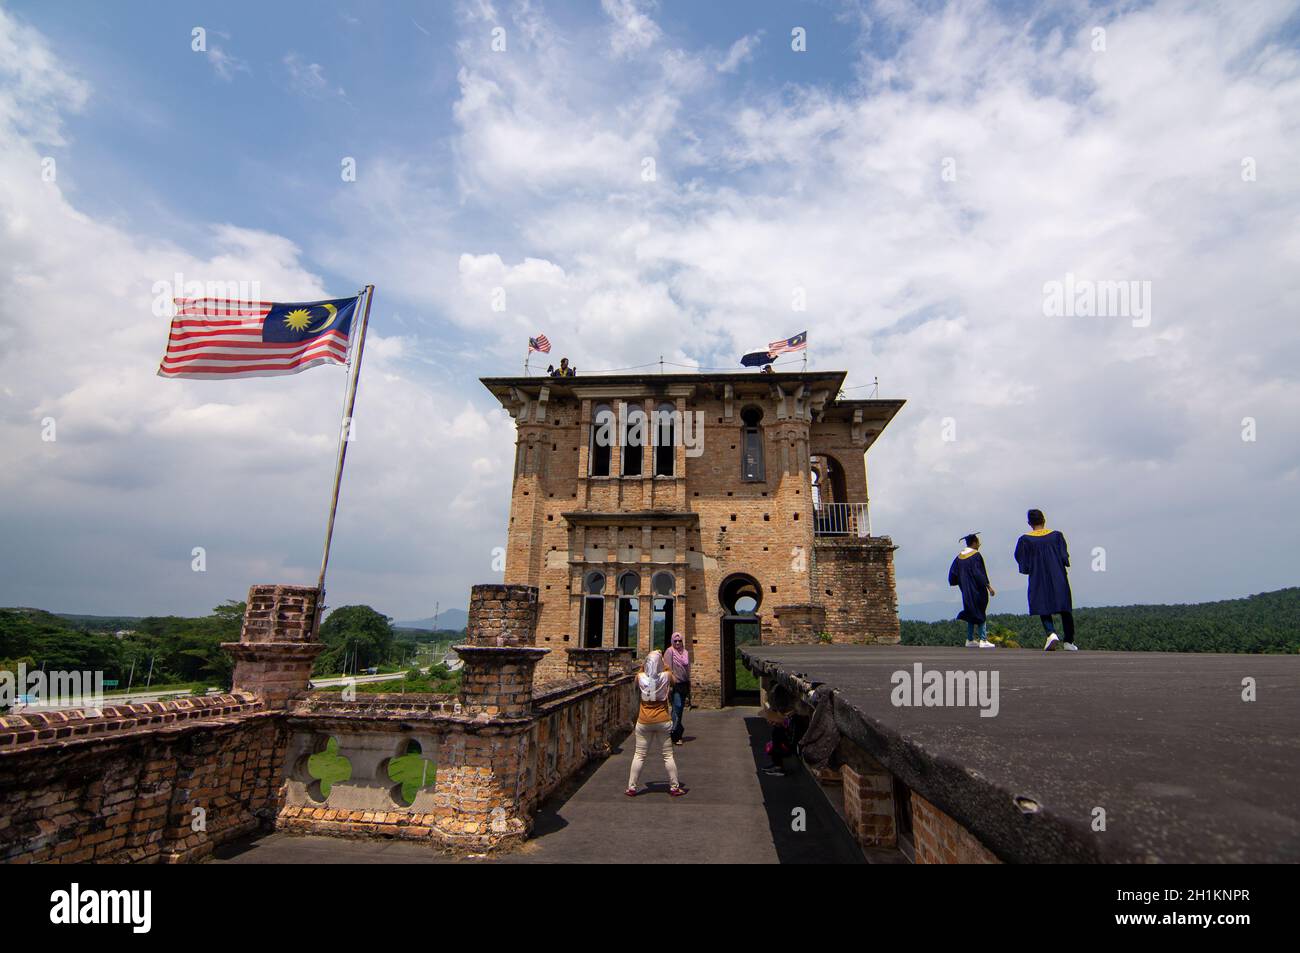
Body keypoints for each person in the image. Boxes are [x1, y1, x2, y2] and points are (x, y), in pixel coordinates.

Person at [1013, 508, 1077, 651]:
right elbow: (1064, 557)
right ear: (1044, 519)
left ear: (1029, 523)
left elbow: (1022, 560)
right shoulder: (1056, 536)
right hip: (1058, 574)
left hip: (1038, 575)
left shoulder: (1025, 540)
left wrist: (1029, 568)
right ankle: (1068, 641)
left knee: (1043, 603)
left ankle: (1051, 633)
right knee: (1064, 606)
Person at [626, 650, 686, 797]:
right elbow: (673, 678)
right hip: (662, 720)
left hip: (644, 721)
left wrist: (647, 662)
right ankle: (674, 787)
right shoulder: (665, 676)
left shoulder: (640, 678)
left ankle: (631, 787)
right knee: (668, 755)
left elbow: (640, 672)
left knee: (639, 755)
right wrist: (663, 663)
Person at [949, 532, 996, 648]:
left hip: (965, 590)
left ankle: (970, 639)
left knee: (970, 611)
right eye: (978, 542)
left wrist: (961, 583)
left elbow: (952, 575)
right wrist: (988, 586)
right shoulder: (976, 555)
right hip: (977, 589)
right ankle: (983, 639)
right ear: (974, 543)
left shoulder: (959, 557)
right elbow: (979, 573)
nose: (979, 544)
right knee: (980, 610)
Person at [665, 632, 690, 745]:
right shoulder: (670, 651)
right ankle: (675, 734)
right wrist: (670, 684)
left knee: (679, 710)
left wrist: (690, 683)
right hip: (675, 684)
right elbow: (667, 668)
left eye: (679, 640)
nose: (678, 643)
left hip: (684, 684)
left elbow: (687, 669)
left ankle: (674, 732)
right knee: (677, 707)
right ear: (672, 641)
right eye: (675, 641)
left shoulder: (685, 652)